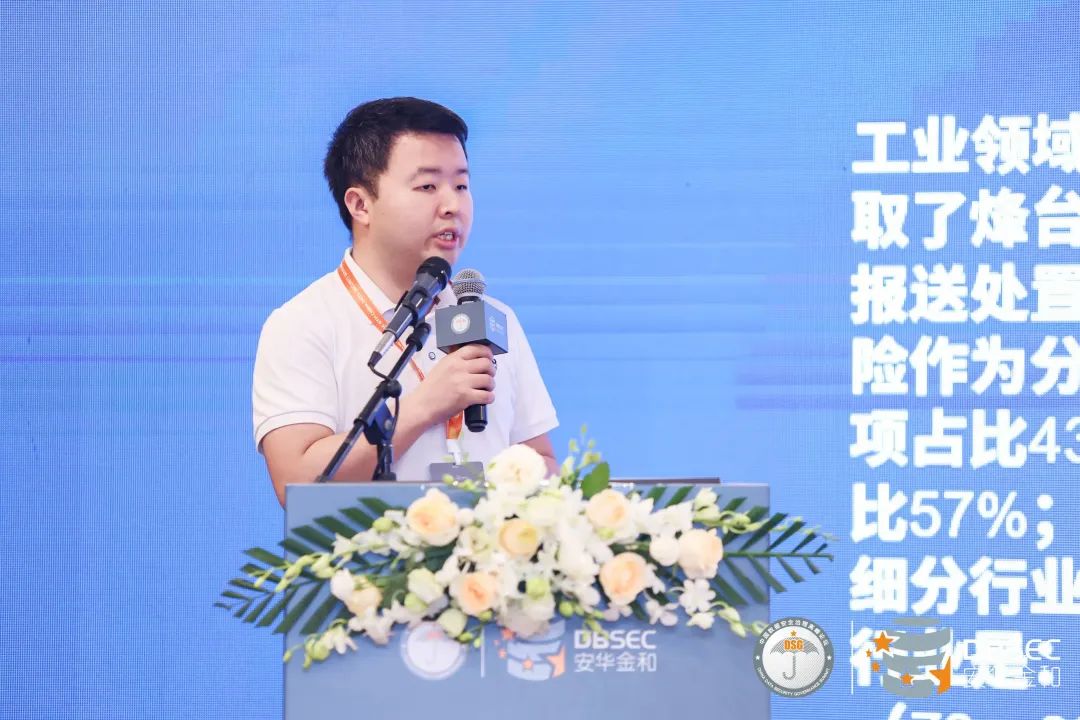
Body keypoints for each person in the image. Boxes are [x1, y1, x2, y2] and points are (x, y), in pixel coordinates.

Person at [252, 97, 559, 506]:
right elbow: (298, 484)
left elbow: (542, 461)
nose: (452, 206)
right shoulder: (302, 324)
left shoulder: (493, 318)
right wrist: (424, 407)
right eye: (428, 186)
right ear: (361, 205)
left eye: (461, 185)